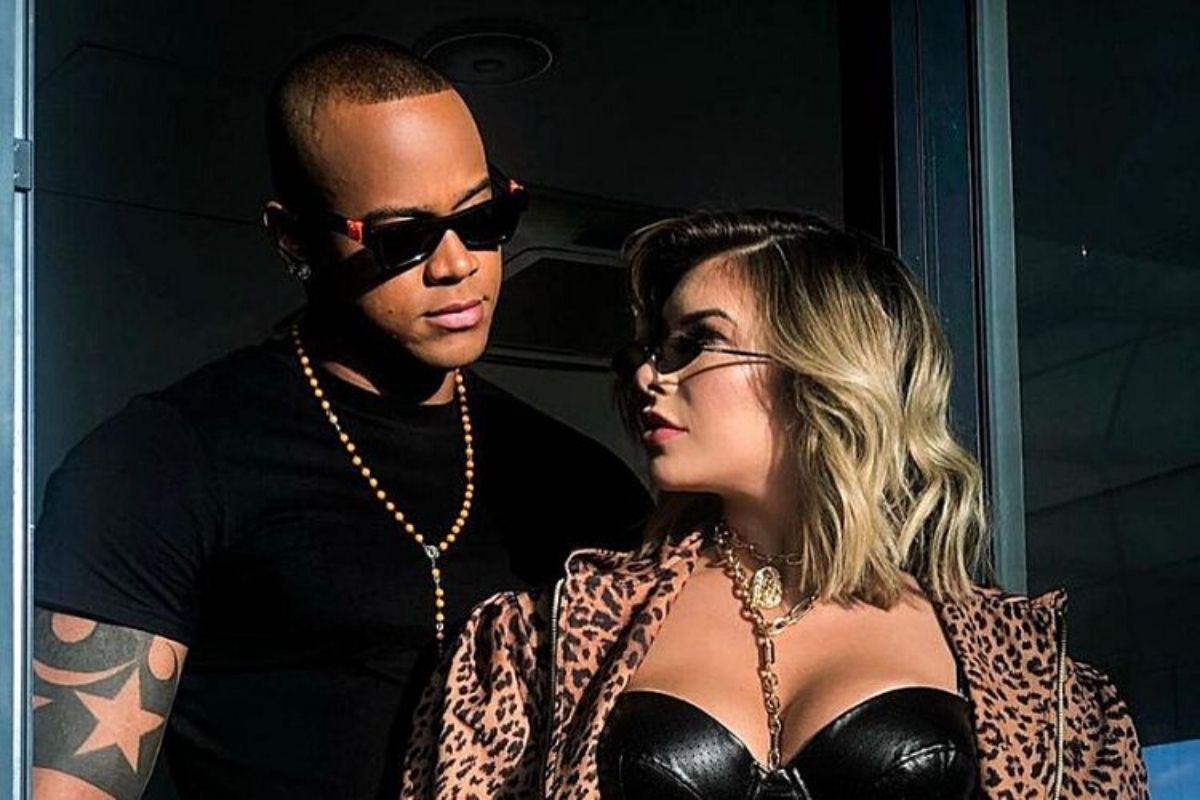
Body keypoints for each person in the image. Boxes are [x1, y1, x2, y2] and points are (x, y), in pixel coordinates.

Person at [32, 36, 650, 799]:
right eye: (402, 237)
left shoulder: (579, 481)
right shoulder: (162, 462)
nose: (457, 263)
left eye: (484, 217)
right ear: (294, 238)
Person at [400, 210, 1148, 798]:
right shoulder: (542, 641)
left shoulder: (1030, 677)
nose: (649, 377)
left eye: (696, 342)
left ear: (822, 363)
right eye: (652, 350)